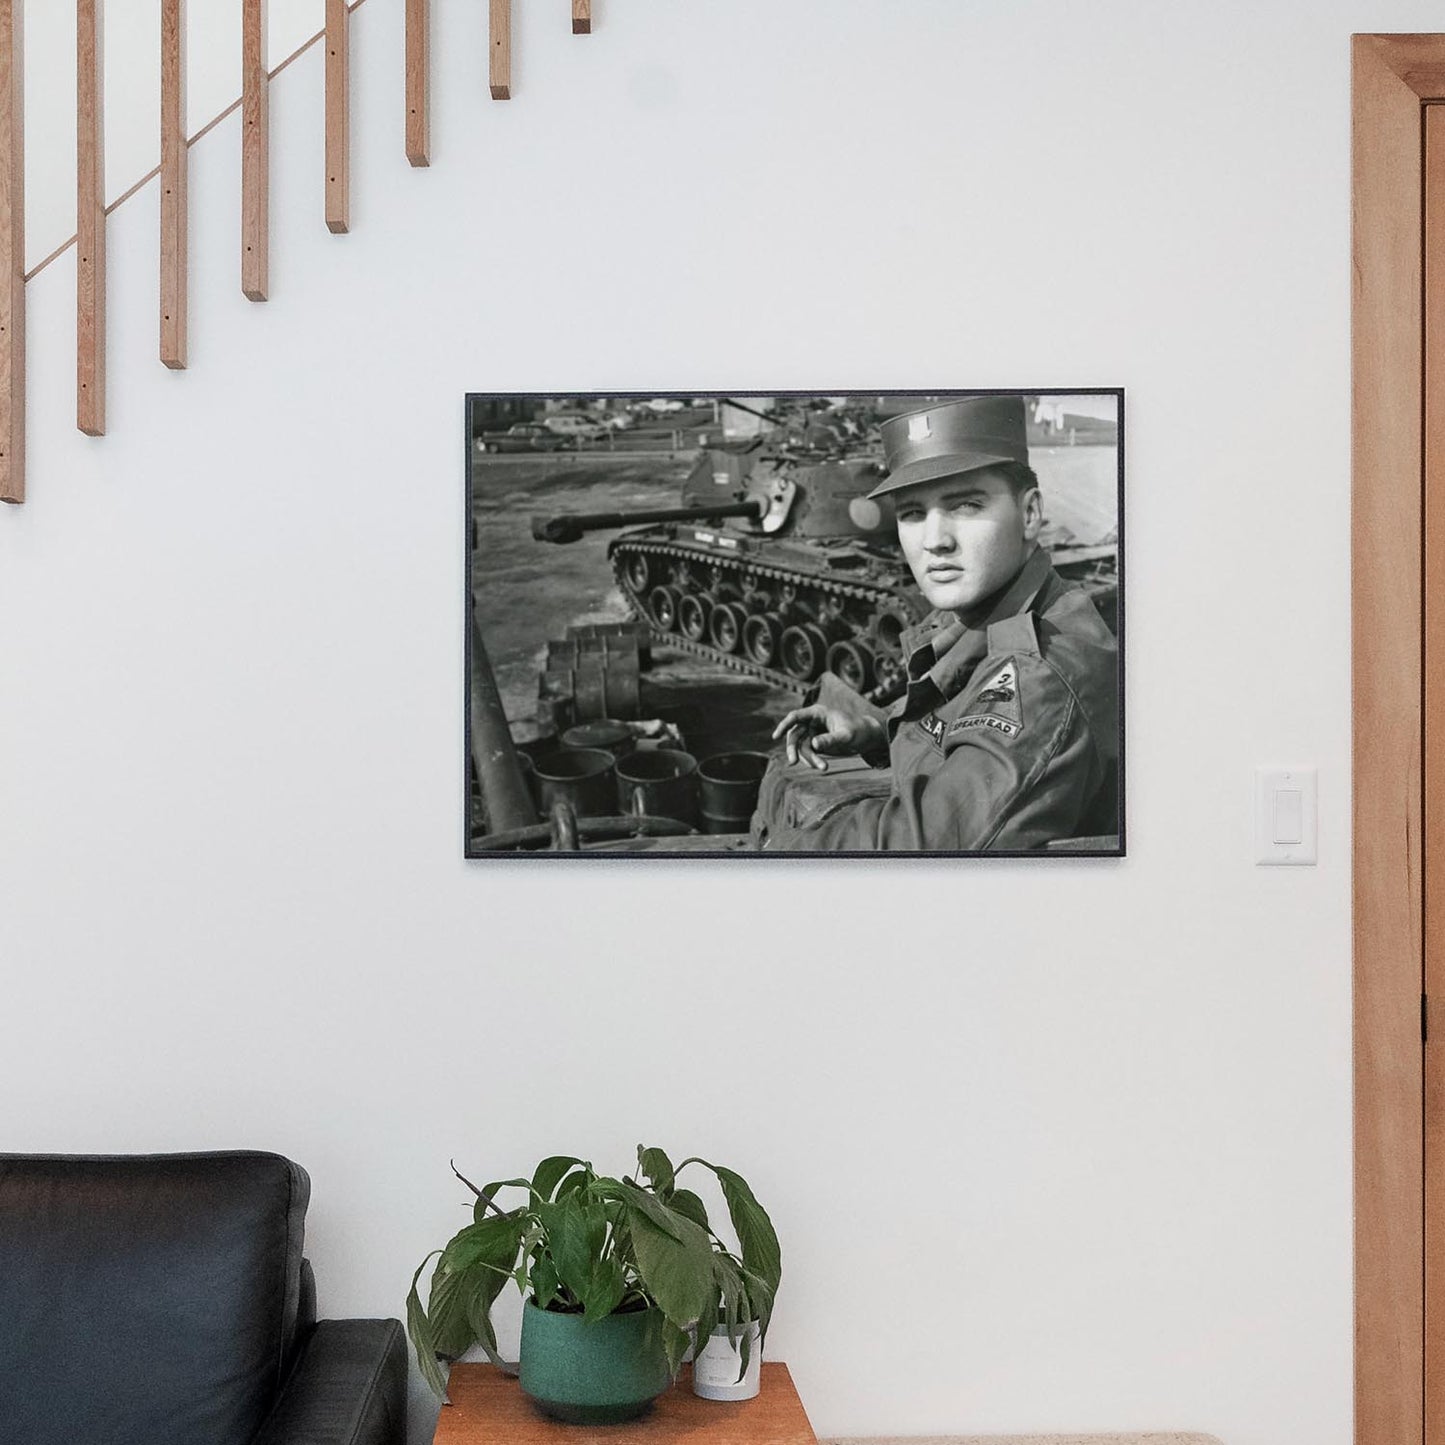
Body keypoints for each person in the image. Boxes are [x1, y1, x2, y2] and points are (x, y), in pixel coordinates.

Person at [756, 394, 1118, 852]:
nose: (934, 541)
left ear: (1029, 514)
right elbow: (962, 725)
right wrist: (877, 731)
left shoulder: (1038, 673)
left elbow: (917, 844)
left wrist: (777, 847)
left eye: (966, 506)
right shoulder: (990, 611)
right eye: (911, 513)